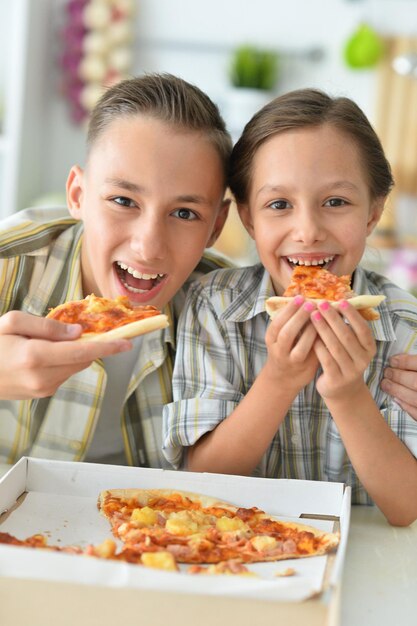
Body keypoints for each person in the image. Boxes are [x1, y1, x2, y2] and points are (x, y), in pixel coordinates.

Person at [163, 88, 417, 527]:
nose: (308, 231)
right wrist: (279, 379)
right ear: (248, 218)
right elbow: (200, 481)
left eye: (335, 202)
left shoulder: (402, 324)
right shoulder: (215, 308)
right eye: (279, 205)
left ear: (373, 213)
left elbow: (408, 508)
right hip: (234, 547)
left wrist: (348, 394)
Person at [0, 73, 232, 471]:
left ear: (216, 226)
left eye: (184, 213)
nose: (149, 246)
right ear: (78, 195)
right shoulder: (9, 264)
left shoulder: (231, 306)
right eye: (124, 200)